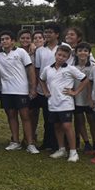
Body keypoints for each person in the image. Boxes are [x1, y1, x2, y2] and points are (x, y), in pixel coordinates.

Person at [40, 45, 89, 163]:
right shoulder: (47, 69)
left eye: (64, 56)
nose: (61, 58)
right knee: (57, 126)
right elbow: (41, 79)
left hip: (65, 103)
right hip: (53, 103)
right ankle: (61, 149)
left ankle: (73, 152)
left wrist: (75, 92)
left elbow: (85, 79)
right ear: (55, 54)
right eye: (59, 55)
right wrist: (45, 91)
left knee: (67, 126)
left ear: (68, 58)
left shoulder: (70, 69)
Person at [0, 31, 39, 154]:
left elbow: (30, 69)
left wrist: (33, 87)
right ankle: (15, 141)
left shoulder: (21, 52)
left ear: (13, 41)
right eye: (2, 39)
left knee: (25, 116)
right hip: (6, 91)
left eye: (7, 39)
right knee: (11, 116)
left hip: (21, 90)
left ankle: (30, 144)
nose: (4, 41)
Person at [33, 23, 61, 151]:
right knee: (47, 117)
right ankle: (47, 142)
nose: (47, 34)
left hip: (59, 89)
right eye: (46, 32)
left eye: (50, 32)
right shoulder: (40, 50)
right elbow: (37, 70)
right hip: (44, 90)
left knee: (59, 118)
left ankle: (59, 143)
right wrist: (39, 87)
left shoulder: (64, 48)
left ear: (57, 34)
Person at [72, 42, 95, 153]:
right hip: (77, 99)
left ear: (89, 53)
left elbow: (91, 83)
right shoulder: (72, 67)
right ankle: (86, 142)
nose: (83, 53)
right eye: (80, 50)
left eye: (85, 51)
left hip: (89, 99)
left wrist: (90, 98)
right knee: (80, 121)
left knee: (92, 121)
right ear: (76, 53)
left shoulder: (93, 67)